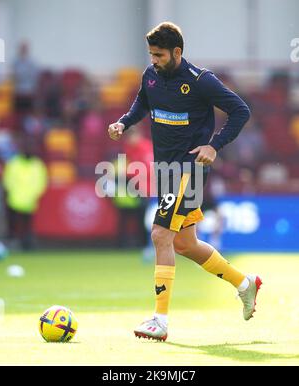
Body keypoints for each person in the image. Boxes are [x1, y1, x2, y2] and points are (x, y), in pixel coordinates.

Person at [108, 22, 262, 341]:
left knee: (160, 234)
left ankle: (159, 321)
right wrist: (124, 122)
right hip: (165, 170)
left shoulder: (201, 81)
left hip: (188, 168)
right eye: (151, 54)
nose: (154, 60)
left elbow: (240, 110)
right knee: (184, 243)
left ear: (177, 52)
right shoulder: (150, 75)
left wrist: (214, 145)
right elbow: (143, 103)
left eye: (159, 55)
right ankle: (245, 284)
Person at [2, 137, 48, 250]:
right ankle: (12, 244)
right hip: (14, 200)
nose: (29, 150)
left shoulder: (38, 165)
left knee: (27, 226)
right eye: (27, 148)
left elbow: (42, 182)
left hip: (29, 201)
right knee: (12, 225)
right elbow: (8, 180)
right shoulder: (14, 163)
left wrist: (34, 194)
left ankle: (26, 245)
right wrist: (11, 193)